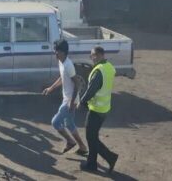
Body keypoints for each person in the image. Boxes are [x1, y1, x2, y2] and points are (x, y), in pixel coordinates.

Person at [43, 39, 88, 155]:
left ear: (62, 52)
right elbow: (62, 78)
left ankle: (70, 141)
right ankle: (82, 147)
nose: (55, 53)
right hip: (67, 98)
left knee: (55, 122)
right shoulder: (61, 62)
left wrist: (72, 102)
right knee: (69, 123)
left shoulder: (68, 65)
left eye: (56, 51)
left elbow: (77, 83)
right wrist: (51, 88)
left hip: (70, 100)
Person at [80, 46, 118, 174]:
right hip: (105, 108)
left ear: (101, 55)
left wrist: (82, 101)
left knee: (90, 137)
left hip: (96, 109)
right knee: (92, 136)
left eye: (94, 55)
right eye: (91, 55)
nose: (92, 58)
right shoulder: (109, 67)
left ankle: (107, 158)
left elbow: (91, 90)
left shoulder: (98, 71)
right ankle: (96, 162)